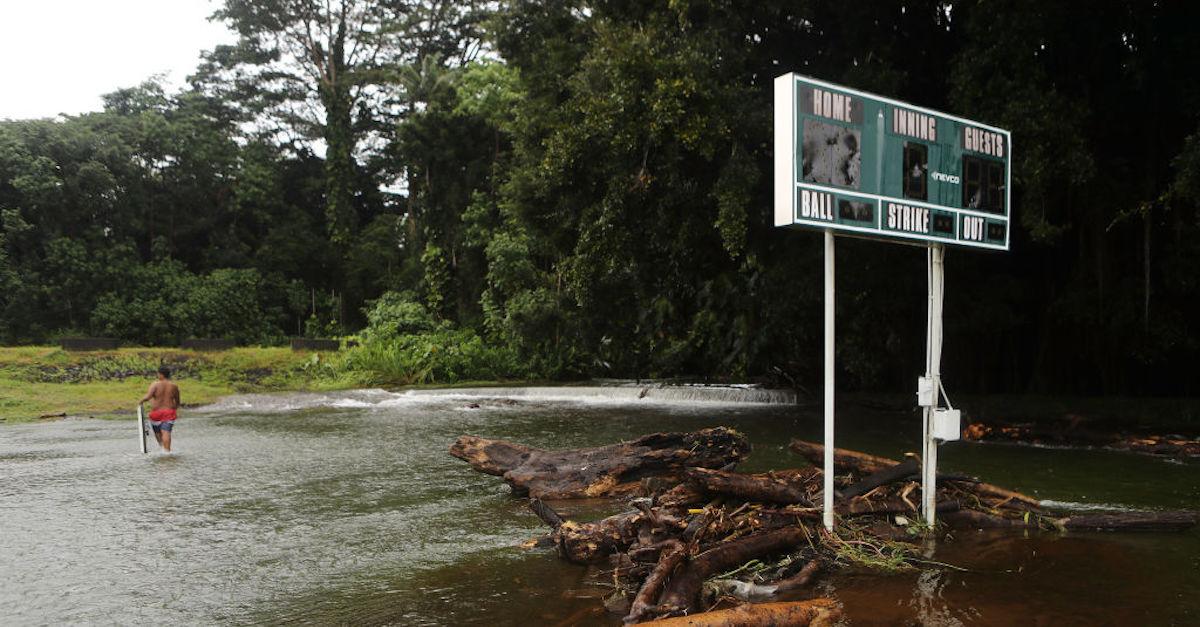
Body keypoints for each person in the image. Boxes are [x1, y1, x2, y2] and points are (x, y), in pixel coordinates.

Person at [140, 366, 181, 452]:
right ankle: (167, 452)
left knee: (158, 434)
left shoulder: (155, 384)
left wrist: (140, 401)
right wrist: (175, 409)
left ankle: (163, 450)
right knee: (166, 432)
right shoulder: (174, 386)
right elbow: (177, 400)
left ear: (160, 374)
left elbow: (148, 397)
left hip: (156, 413)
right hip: (168, 412)